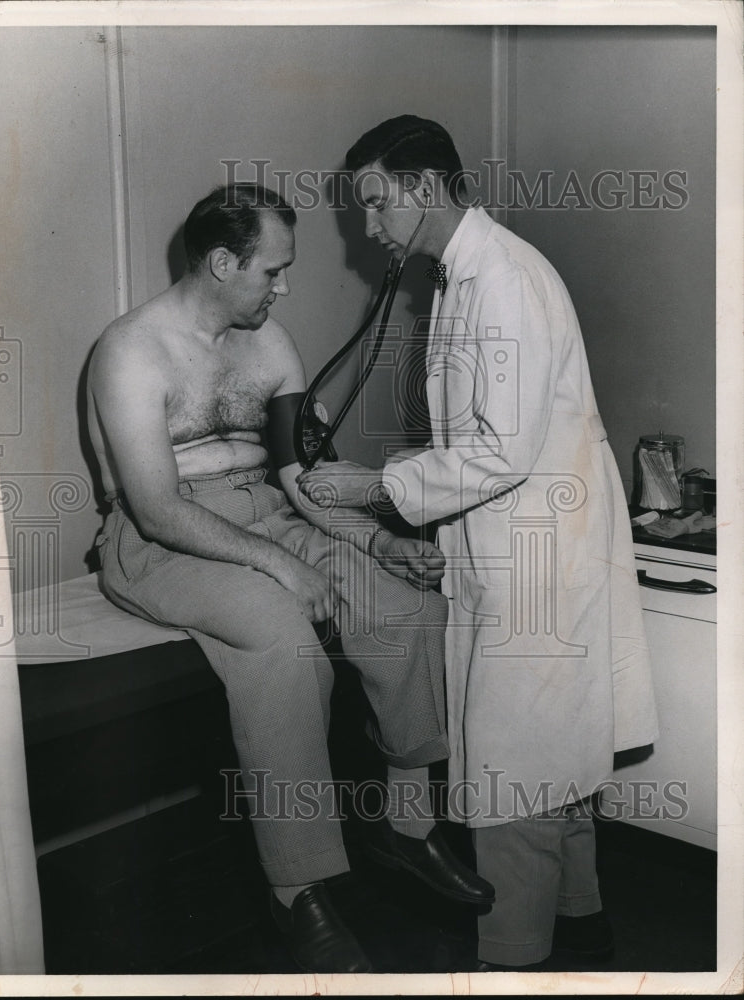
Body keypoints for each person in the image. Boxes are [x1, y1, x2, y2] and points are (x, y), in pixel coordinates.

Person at [86, 182, 495, 975]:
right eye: (271, 271)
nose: (284, 287)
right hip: (159, 539)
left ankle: (405, 827)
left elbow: (300, 478)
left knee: (410, 613)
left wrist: (376, 544)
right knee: (282, 637)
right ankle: (298, 886)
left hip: (267, 512)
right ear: (221, 261)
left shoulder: (268, 346)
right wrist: (279, 565)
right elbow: (156, 507)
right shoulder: (129, 351)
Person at [298, 116, 659, 970]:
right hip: (526, 540)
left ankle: (512, 959)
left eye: (379, 204)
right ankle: (583, 924)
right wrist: (441, 544)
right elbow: (487, 442)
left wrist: (375, 487)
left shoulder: (501, 281)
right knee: (555, 753)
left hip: (538, 553)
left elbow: (498, 450)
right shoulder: (461, 279)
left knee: (516, 774)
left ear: (425, 189)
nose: (371, 227)